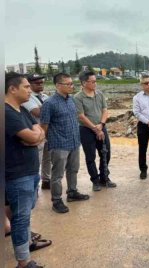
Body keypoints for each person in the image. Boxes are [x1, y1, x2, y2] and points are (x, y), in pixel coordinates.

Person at [5, 72, 46, 268]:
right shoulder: (6, 112)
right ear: (12, 89)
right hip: (17, 174)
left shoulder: (22, 110)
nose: (30, 90)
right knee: (21, 218)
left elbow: (39, 131)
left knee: (22, 213)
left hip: (29, 171)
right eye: (26, 87)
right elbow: (32, 137)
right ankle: (24, 262)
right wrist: (34, 137)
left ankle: (25, 243)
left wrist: (35, 135)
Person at [40, 73, 90, 213]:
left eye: (71, 84)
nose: (71, 86)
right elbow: (44, 126)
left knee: (73, 169)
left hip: (74, 142)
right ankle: (56, 200)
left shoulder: (71, 100)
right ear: (57, 85)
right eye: (67, 84)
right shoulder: (49, 103)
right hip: (59, 144)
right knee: (57, 174)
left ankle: (72, 192)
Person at [74, 71, 116, 191]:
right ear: (83, 83)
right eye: (92, 81)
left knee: (106, 153)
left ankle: (104, 177)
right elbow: (81, 116)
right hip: (86, 130)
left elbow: (105, 110)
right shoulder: (78, 97)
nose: (95, 84)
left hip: (101, 127)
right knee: (90, 156)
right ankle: (95, 181)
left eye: (95, 81)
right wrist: (94, 128)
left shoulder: (99, 94)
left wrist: (101, 125)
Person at [22, 73, 52, 190]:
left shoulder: (44, 96)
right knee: (36, 160)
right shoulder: (27, 98)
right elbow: (37, 113)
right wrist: (50, 109)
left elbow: (46, 110)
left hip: (48, 132)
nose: (40, 85)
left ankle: (46, 180)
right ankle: (34, 186)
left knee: (48, 158)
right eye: (37, 83)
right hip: (35, 132)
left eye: (42, 82)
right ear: (29, 85)